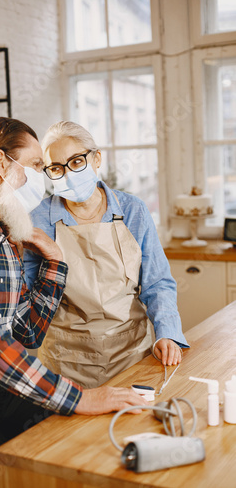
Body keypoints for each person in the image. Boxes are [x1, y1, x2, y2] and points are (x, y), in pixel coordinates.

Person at [0, 117, 147, 488]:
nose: (45, 177)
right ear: (1, 164)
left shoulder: (8, 234)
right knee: (19, 476)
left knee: (72, 443)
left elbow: (27, 333)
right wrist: (78, 396)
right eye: (35, 166)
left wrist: (55, 264)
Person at [24, 121, 189, 389]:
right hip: (66, 364)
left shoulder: (133, 210)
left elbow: (157, 283)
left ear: (96, 158)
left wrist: (167, 333)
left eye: (76, 162)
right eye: (56, 169)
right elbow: (27, 296)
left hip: (133, 355)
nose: (68, 175)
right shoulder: (37, 220)